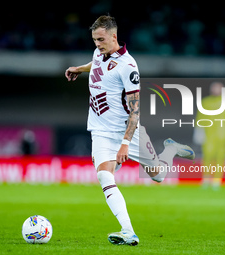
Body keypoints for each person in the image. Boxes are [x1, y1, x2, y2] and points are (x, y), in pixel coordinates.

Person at [65, 15, 195, 246]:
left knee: (158, 175)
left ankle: (171, 148)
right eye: (94, 40)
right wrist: (80, 69)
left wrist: (125, 143)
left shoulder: (128, 66)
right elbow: (96, 63)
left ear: (114, 36)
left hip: (128, 132)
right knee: (105, 174)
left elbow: (135, 112)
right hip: (101, 131)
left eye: (101, 39)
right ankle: (128, 231)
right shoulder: (99, 52)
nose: (97, 44)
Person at [193, 82, 225, 190]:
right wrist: (198, 130)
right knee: (207, 155)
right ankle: (206, 178)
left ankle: (216, 180)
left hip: (222, 135)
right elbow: (200, 117)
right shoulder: (205, 102)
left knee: (220, 157)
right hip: (208, 134)